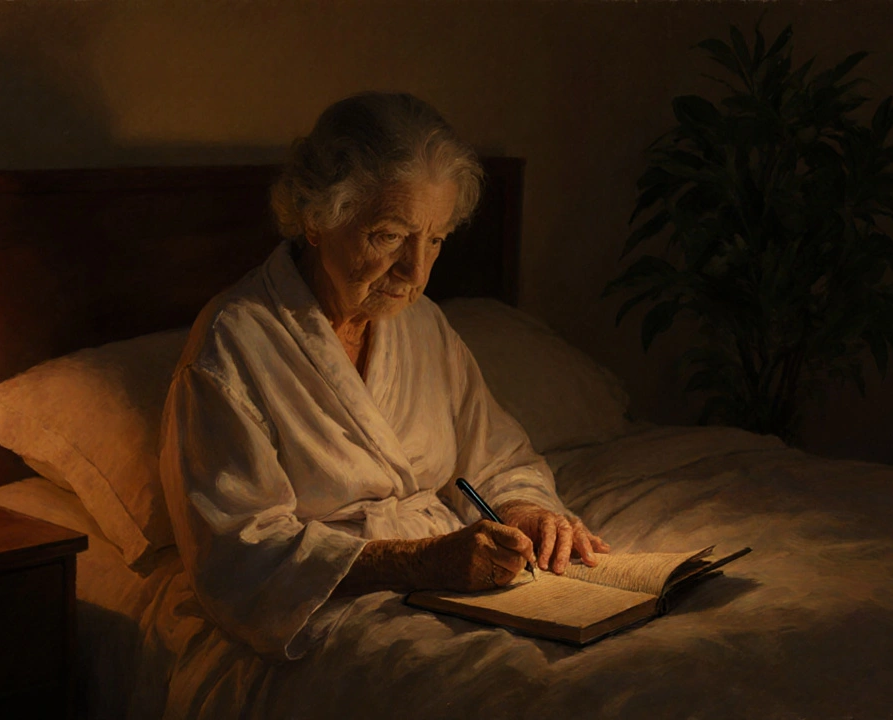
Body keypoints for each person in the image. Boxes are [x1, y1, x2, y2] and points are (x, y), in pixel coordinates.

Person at [159, 91, 608, 661]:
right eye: (390, 236)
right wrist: (419, 562)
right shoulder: (234, 345)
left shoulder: (421, 324)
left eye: (435, 240)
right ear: (316, 220)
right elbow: (240, 556)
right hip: (332, 603)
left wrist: (528, 514)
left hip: (462, 582)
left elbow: (496, 458)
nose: (416, 271)